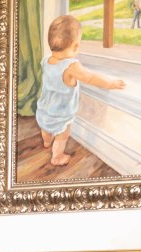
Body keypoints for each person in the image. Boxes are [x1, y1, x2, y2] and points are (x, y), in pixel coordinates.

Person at [35, 15, 126, 167]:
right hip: (60, 114)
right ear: (76, 46)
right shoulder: (71, 66)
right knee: (62, 135)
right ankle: (57, 157)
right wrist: (110, 83)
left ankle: (46, 141)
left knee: (45, 128)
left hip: (44, 108)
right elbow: (90, 77)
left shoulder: (46, 61)